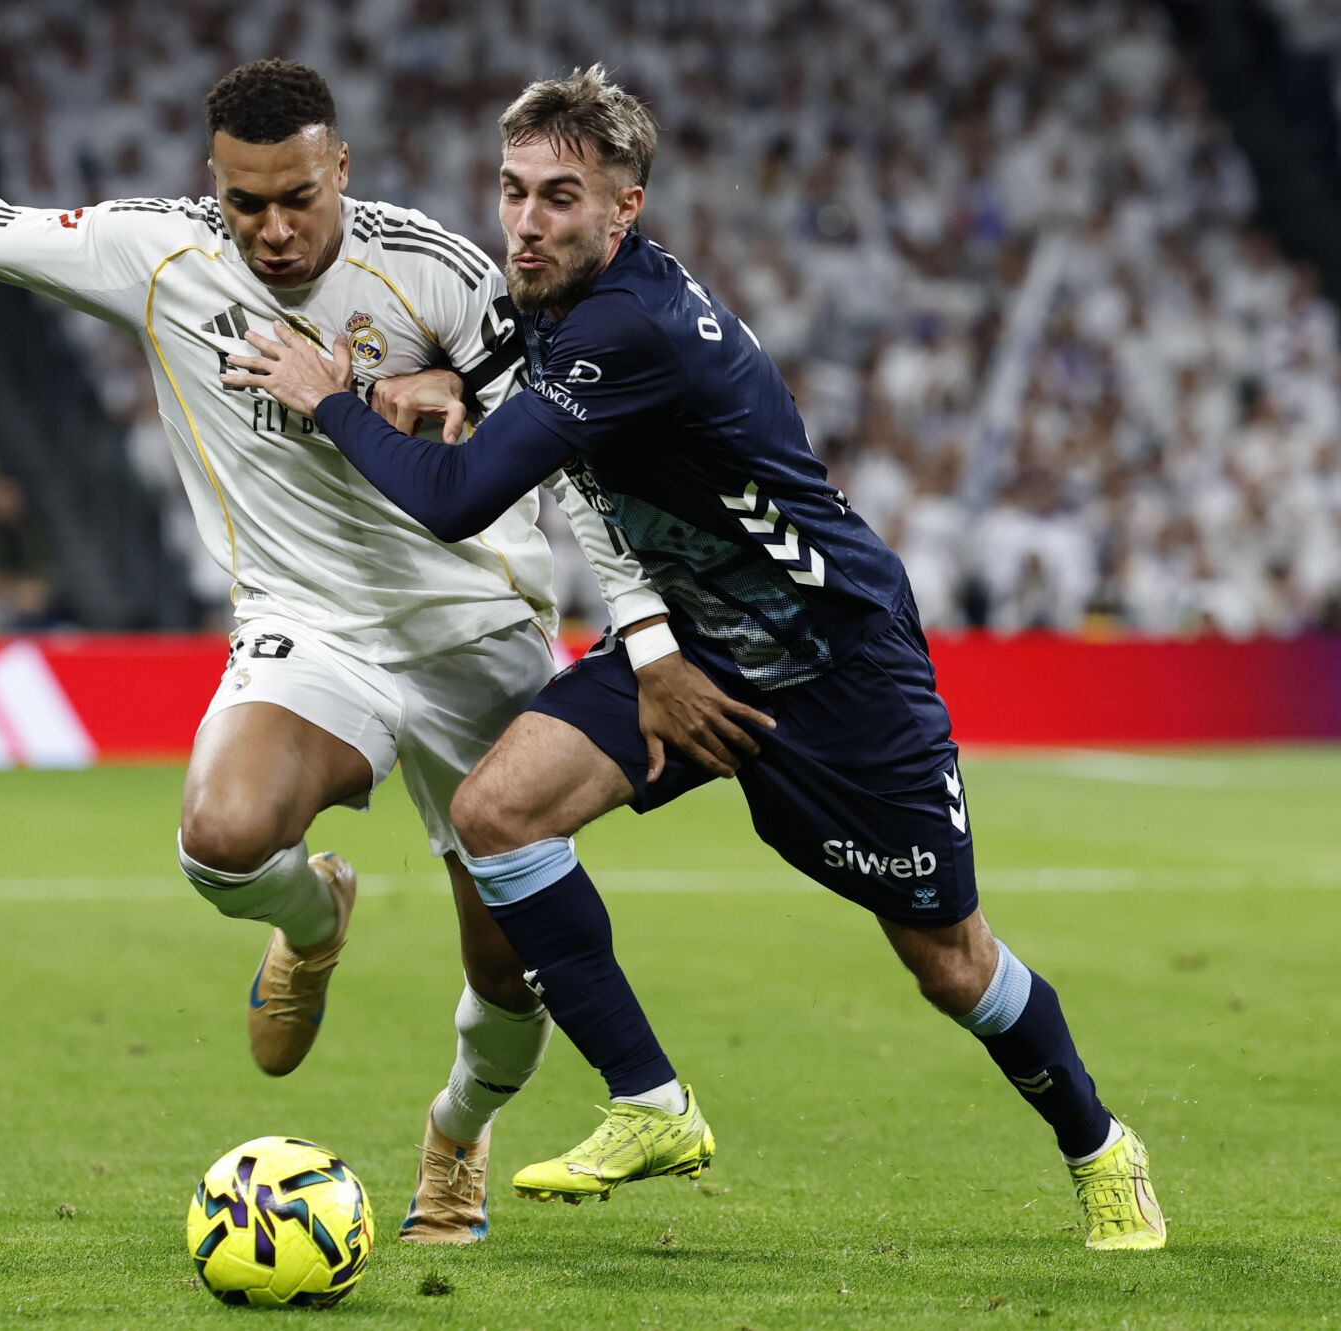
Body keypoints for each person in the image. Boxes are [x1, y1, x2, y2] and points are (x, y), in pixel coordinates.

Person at [0, 59, 672, 1245]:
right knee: (222, 836)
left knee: (511, 971)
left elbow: (562, 424)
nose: (272, 229)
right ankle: (313, 922)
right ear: (213, 186)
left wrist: (455, 384)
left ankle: (455, 1132)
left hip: (474, 634)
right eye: (245, 202)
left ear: (340, 168)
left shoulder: (437, 270)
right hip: (311, 623)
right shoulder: (155, 253)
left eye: (297, 196)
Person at [221, 65, 1165, 1252]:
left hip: (832, 669)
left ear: (624, 210)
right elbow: (522, 388)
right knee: (498, 812)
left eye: (558, 198)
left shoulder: (634, 326)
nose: (523, 221)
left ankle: (1099, 1145)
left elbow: (459, 495)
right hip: (691, 641)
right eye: (511, 191)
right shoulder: (560, 299)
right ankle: (649, 1099)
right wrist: (449, 376)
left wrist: (332, 397)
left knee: (947, 960)